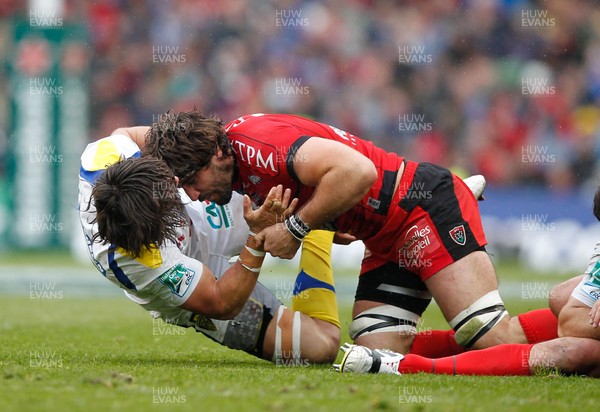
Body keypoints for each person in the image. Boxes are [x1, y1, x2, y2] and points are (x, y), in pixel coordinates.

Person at [143, 111, 558, 359]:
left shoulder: (254, 145)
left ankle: (579, 321)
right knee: (381, 354)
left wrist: (295, 227)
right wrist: (301, 225)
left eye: (193, 182)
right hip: (385, 239)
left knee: (488, 335)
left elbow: (359, 172)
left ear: (215, 154)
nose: (194, 196)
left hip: (420, 208)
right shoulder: (238, 167)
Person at [78, 127, 341, 365]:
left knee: (303, 193)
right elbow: (222, 302)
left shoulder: (105, 154)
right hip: (199, 281)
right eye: (168, 198)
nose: (177, 184)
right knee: (321, 347)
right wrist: (257, 239)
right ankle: (320, 236)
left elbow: (133, 135)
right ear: (153, 231)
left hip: (204, 212)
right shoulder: (148, 265)